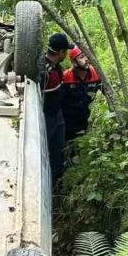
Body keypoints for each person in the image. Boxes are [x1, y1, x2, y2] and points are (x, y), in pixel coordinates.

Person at [39, 33, 72, 182]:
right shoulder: (46, 73)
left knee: (58, 148)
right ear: (60, 53)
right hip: (47, 117)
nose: (66, 54)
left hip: (57, 115)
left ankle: (58, 177)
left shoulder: (55, 67)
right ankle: (51, 181)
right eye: (65, 51)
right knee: (49, 150)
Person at [61, 47, 101, 140]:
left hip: (84, 120)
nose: (86, 59)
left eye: (86, 56)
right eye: (81, 57)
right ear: (74, 62)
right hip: (67, 123)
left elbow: (107, 93)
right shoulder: (66, 76)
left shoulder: (96, 73)